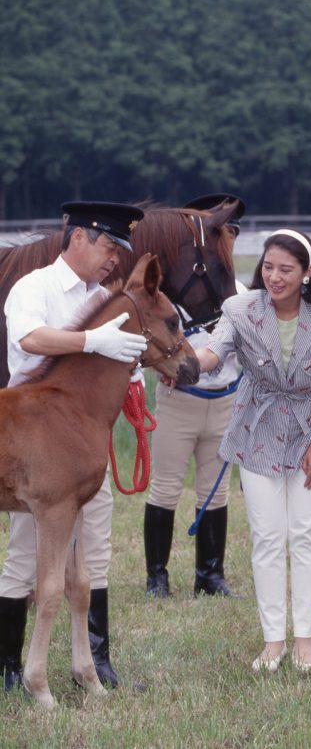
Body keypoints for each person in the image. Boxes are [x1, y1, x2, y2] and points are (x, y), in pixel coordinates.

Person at [0, 201, 148, 693]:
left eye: (120, 250)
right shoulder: (34, 286)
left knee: (93, 555)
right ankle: (8, 667)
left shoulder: (106, 296)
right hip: (36, 441)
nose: (114, 259)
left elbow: (113, 361)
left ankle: (94, 662)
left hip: (86, 443)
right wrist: (90, 341)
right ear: (78, 237)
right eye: (108, 245)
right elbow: (29, 337)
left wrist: (131, 369)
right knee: (26, 560)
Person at [195, 228, 311, 672]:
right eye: (268, 267)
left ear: (307, 273)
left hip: (310, 431)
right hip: (256, 428)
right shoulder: (240, 308)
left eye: (286, 269)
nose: (275, 277)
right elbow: (214, 350)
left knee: (305, 534)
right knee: (267, 537)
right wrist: (186, 366)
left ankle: (305, 640)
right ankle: (273, 642)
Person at [144, 193, 246, 598]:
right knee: (165, 487)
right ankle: (157, 576)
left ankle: (210, 575)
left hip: (224, 398)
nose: (230, 237)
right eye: (224, 230)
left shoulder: (235, 289)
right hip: (180, 402)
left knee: (215, 490)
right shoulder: (173, 288)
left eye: (233, 230)